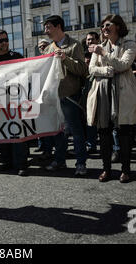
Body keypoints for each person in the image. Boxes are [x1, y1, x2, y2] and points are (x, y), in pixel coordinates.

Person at [87, 14, 136, 183]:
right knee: (104, 132)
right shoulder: (99, 46)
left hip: (123, 92)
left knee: (124, 132)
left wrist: (104, 54)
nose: (104, 28)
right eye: (103, 26)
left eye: (108, 25)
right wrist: (106, 71)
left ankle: (126, 170)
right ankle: (106, 169)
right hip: (103, 91)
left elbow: (123, 65)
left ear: (118, 27)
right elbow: (92, 69)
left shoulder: (129, 44)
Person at [42, 15, 89, 177]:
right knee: (57, 132)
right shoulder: (48, 49)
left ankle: (81, 163)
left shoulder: (74, 45)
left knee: (76, 131)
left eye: (48, 27)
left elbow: (82, 69)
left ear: (58, 27)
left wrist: (65, 58)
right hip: (53, 97)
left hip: (69, 96)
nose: (45, 31)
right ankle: (59, 160)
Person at [0, 30, 29, 176]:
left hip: (15, 99)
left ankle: (21, 164)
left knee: (17, 132)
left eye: (6, 40)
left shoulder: (17, 57)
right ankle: (7, 162)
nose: (4, 43)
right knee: (2, 131)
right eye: (1, 40)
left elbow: (26, 74)